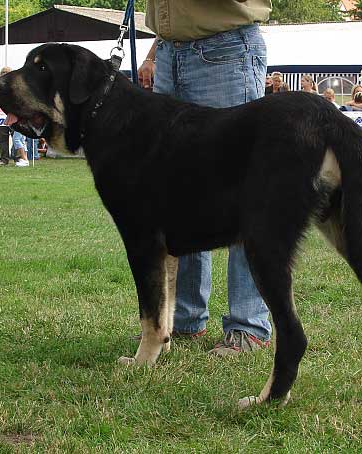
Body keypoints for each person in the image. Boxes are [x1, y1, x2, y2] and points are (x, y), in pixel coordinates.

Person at [138, 0, 272, 356]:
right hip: (169, 52)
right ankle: (185, 319)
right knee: (179, 197)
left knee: (240, 192)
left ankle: (248, 325)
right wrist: (155, 51)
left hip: (225, 49)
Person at [0, 67, 13, 166]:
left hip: (13, 115)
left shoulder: (15, 84)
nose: (4, 74)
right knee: (3, 139)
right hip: (1, 116)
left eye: (6, 72)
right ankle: (4, 159)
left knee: (16, 139)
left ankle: (17, 158)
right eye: (3, 72)